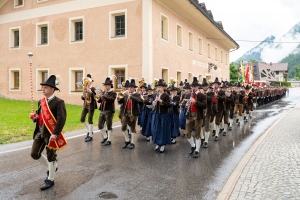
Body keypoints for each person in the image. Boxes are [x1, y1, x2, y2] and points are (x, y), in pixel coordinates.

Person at [29, 75, 67, 190]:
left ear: (52, 89)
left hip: (51, 134)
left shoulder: (59, 102)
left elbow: (61, 119)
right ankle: (53, 167)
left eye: (45, 87)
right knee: (34, 154)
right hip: (40, 132)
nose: (43, 89)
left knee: (51, 156)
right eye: (43, 87)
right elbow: (41, 116)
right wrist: (35, 117)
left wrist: (55, 134)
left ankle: (50, 179)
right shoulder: (41, 101)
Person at [185, 77, 206, 158]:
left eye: (195, 87)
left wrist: (195, 102)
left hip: (198, 116)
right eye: (192, 87)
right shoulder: (188, 94)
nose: (193, 88)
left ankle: (197, 150)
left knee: (197, 133)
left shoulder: (201, 95)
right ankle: (193, 145)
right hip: (189, 116)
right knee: (187, 133)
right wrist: (185, 105)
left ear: (197, 87)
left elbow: (204, 105)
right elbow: (182, 103)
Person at [118, 79, 142, 149]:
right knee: (123, 127)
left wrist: (130, 96)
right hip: (125, 112)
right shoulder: (126, 94)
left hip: (133, 113)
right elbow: (121, 102)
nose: (130, 88)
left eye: (131, 87)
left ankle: (132, 142)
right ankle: (127, 140)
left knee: (132, 127)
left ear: (134, 88)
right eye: (129, 87)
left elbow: (139, 101)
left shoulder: (137, 94)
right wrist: (119, 97)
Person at [151, 79, 171, 153]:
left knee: (162, 129)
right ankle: (157, 143)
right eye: (158, 87)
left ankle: (162, 144)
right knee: (155, 129)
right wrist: (154, 102)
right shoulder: (155, 95)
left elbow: (169, 105)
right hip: (156, 114)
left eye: (160, 87)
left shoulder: (166, 95)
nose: (159, 88)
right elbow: (153, 106)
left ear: (163, 87)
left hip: (164, 114)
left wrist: (161, 101)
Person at [96, 77, 117, 145]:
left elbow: (111, 100)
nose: (105, 87)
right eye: (105, 85)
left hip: (109, 110)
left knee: (109, 125)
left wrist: (104, 96)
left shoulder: (113, 93)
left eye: (106, 85)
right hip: (102, 110)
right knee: (99, 125)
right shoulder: (104, 92)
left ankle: (109, 139)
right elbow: (99, 101)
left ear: (110, 86)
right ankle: (105, 136)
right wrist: (99, 97)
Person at [80, 74, 97, 142]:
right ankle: (90, 131)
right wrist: (82, 96)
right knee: (82, 119)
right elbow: (83, 98)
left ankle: (90, 135)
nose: (87, 83)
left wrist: (91, 92)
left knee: (90, 120)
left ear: (91, 82)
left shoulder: (93, 89)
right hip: (85, 105)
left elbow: (96, 97)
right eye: (86, 82)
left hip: (91, 106)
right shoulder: (85, 88)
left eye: (89, 82)